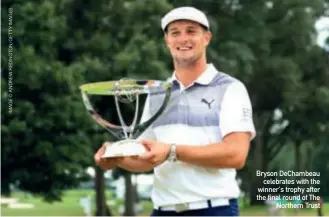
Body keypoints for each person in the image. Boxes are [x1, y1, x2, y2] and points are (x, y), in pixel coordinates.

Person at [94, 6, 256, 216]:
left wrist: (172, 150)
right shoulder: (157, 94)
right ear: (167, 41)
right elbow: (148, 158)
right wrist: (116, 158)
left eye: (191, 31)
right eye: (175, 33)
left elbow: (236, 155)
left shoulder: (230, 88)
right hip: (163, 211)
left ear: (206, 38)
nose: (183, 39)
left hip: (214, 209)